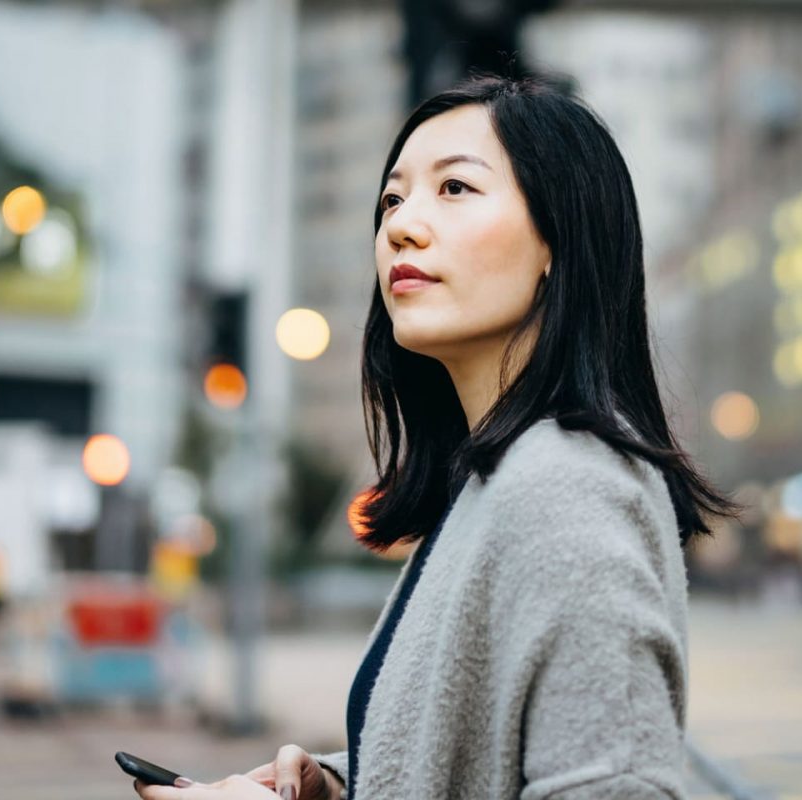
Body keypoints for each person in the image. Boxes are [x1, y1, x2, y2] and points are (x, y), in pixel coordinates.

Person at [135, 75, 738, 800]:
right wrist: (336, 787)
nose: (400, 227)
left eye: (454, 189)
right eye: (393, 199)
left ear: (559, 238)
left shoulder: (566, 484)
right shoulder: (495, 479)